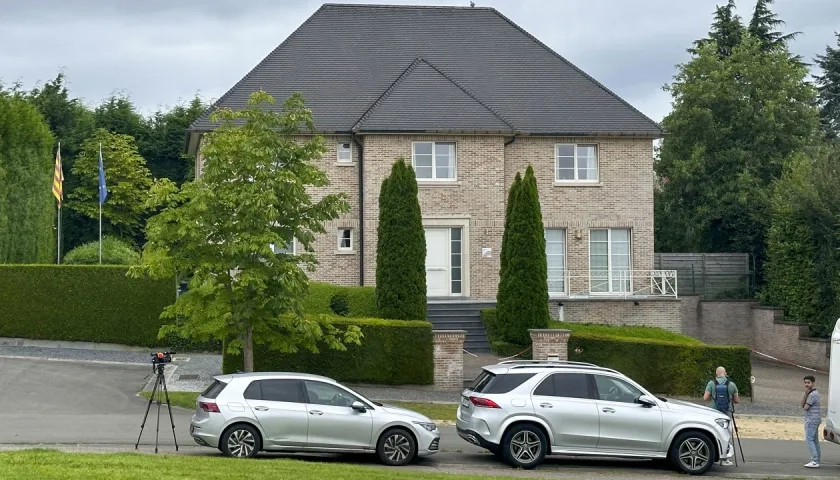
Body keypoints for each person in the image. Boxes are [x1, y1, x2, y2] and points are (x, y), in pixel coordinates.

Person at [704, 366, 740, 466]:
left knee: (712, 432)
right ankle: (725, 459)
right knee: (727, 434)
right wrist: (729, 399)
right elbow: (737, 400)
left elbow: (705, 397)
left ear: (716, 373)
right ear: (725, 373)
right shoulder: (731, 384)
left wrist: (714, 397)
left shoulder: (711, 383)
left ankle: (712, 455)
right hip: (727, 412)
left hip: (714, 412)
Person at [802, 375, 821, 468]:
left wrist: (805, 395)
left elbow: (805, 407)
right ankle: (817, 459)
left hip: (811, 420)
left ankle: (814, 461)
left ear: (813, 383)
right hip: (816, 419)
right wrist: (806, 394)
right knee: (815, 440)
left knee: (809, 439)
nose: (806, 384)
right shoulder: (814, 393)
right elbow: (803, 405)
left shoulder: (813, 394)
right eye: (805, 382)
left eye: (808, 382)